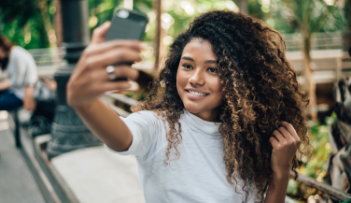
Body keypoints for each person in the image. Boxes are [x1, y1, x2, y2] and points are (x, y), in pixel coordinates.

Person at [67, 10, 311, 203]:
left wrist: (280, 173)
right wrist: (84, 101)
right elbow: (122, 136)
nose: (195, 78)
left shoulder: (253, 140)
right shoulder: (158, 126)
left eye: (213, 69)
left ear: (241, 79)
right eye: (187, 65)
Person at [0, 36, 37, 111]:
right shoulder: (13, 54)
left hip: (22, 94)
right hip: (17, 91)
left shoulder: (17, 55)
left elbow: (17, 81)